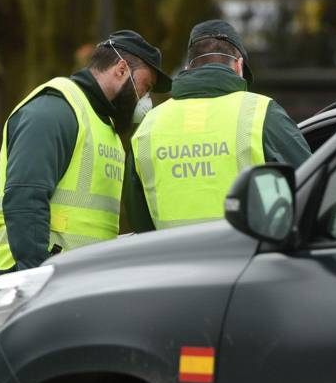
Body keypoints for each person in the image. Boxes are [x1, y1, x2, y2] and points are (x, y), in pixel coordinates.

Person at [0, 30, 172, 275]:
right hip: (39, 279)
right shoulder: (54, 110)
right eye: (145, 86)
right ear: (121, 69)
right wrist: (35, 280)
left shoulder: (104, 126)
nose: (146, 99)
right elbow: (25, 201)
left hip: (77, 279)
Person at [127, 19, 311, 232]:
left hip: (173, 261)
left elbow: (139, 220)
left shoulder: (149, 125)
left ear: (188, 67)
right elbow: (311, 186)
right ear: (239, 65)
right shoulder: (262, 113)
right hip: (246, 261)